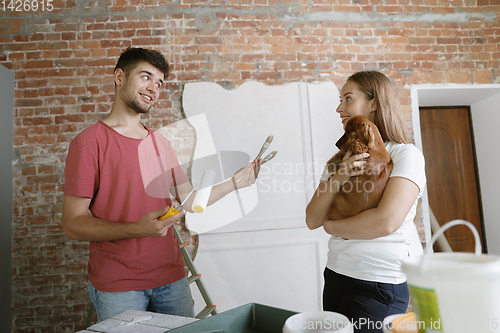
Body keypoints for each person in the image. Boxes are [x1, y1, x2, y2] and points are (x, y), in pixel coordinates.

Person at [62, 47, 261, 322]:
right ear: (119, 77)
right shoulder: (88, 143)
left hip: (171, 279)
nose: (153, 88)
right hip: (119, 285)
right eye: (145, 77)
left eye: (159, 83)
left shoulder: (161, 144)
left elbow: (189, 200)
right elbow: (73, 223)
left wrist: (236, 184)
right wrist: (137, 229)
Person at [305, 71, 426, 333]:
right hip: (336, 274)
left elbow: (385, 222)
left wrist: (333, 227)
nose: (339, 108)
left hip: (378, 284)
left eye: (348, 99)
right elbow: (312, 219)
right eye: (340, 100)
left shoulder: (405, 155)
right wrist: (341, 175)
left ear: (374, 103)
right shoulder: (340, 160)